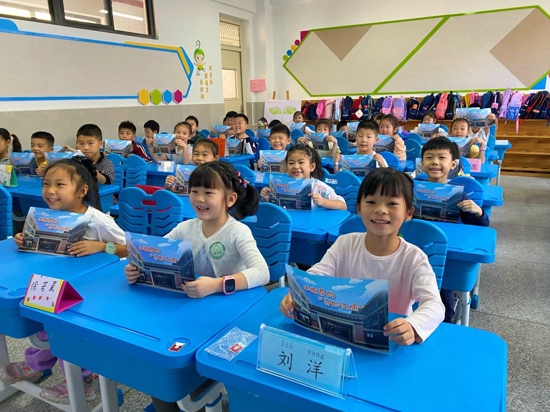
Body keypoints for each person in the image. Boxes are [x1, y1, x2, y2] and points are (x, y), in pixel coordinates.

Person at [125, 161, 269, 412]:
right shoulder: (186, 227)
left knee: (193, 376)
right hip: (186, 310)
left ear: (230, 199)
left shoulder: (238, 232)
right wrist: (137, 267)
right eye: (194, 191)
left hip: (223, 314)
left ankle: (200, 392)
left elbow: (262, 272)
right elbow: (155, 251)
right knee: (163, 376)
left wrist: (216, 284)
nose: (199, 199)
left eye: (208, 192)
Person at [1, 157, 127, 404]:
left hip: (92, 289)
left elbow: (128, 249)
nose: (50, 191)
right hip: (58, 282)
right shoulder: (47, 216)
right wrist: (23, 239)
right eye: (46, 184)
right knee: (42, 323)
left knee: (68, 330)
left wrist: (101, 246)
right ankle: (36, 365)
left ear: (81, 191)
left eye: (60, 184)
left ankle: (84, 380)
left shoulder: (98, 220)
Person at [280, 168, 445, 344]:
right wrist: (298, 291)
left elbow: (434, 304)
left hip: (391, 339)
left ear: (408, 213)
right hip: (343, 335)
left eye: (392, 203)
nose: (380, 210)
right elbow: (319, 273)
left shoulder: (414, 258)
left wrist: (412, 325)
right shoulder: (345, 243)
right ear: (359, 207)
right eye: (371, 202)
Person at [421, 137, 490, 323]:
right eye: (429, 157)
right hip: (416, 247)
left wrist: (478, 212)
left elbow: (480, 228)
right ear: (422, 163)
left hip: (446, 253)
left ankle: (446, 321)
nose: (435, 162)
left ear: (453, 164)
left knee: (444, 291)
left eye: (441, 158)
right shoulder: (411, 190)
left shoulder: (458, 194)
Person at [260, 145, 346, 210]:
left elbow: (343, 205)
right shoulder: (280, 184)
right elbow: (273, 207)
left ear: (312, 167)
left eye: (301, 162)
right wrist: (266, 198)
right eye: (291, 163)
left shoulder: (318, 187)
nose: (296, 166)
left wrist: (323, 202)